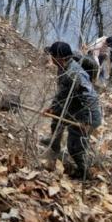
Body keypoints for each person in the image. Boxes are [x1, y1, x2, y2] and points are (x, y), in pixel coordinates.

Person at [41, 41, 103, 180]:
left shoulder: (72, 73)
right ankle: (55, 144)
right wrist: (53, 108)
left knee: (75, 147)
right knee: (57, 120)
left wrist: (87, 121)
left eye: (52, 55)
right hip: (76, 106)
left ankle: (85, 174)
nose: (50, 58)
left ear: (60, 57)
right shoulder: (64, 65)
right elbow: (62, 95)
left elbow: (86, 96)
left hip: (87, 113)